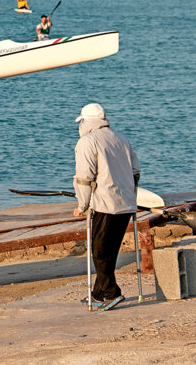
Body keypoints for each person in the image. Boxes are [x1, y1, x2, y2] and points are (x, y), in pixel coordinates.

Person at [72, 103, 140, 309]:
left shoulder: (87, 142)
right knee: (106, 249)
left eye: (81, 121)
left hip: (105, 203)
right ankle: (99, 292)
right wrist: (130, 194)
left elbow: (84, 178)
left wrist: (82, 205)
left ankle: (111, 292)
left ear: (87, 121)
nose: (80, 125)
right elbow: (135, 171)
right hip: (125, 202)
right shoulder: (121, 138)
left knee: (101, 250)